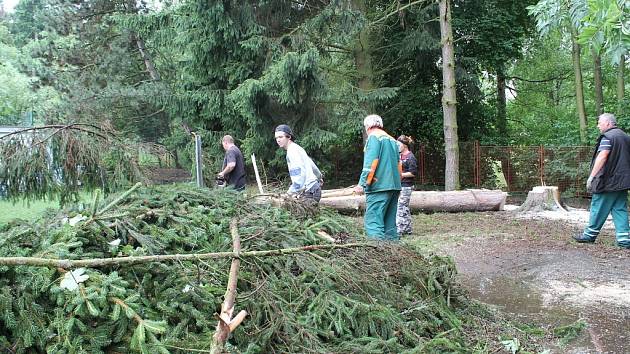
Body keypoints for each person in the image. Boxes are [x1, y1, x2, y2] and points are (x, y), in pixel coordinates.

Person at [573, 113, 630, 249]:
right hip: (623, 182)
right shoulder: (625, 137)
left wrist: (592, 176)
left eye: (600, 123)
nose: (598, 126)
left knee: (598, 207)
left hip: (608, 181)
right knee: (619, 209)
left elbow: (603, 156)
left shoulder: (608, 137)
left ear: (608, 123)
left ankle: (589, 235)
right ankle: (624, 240)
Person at [354, 114, 402, 240]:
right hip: (395, 186)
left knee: (373, 222)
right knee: (390, 224)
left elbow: (370, 164)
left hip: (379, 186)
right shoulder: (392, 140)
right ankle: (395, 253)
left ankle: (378, 254)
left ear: (367, 126)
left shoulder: (374, 137)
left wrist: (362, 184)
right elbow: (399, 165)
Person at [274, 124, 323, 202]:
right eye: (276, 138)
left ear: (289, 137)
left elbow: (299, 175)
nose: (278, 140)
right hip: (314, 189)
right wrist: (319, 177)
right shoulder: (297, 148)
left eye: (280, 137)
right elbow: (312, 165)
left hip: (309, 192)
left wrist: (289, 193)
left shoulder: (292, 152)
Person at [396, 135, 417, 235]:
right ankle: (408, 230)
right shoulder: (398, 156)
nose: (397, 146)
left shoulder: (410, 157)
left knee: (401, 207)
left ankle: (399, 231)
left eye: (398, 144)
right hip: (399, 185)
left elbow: (413, 173)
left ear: (404, 145)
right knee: (404, 207)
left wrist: (401, 175)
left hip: (406, 186)